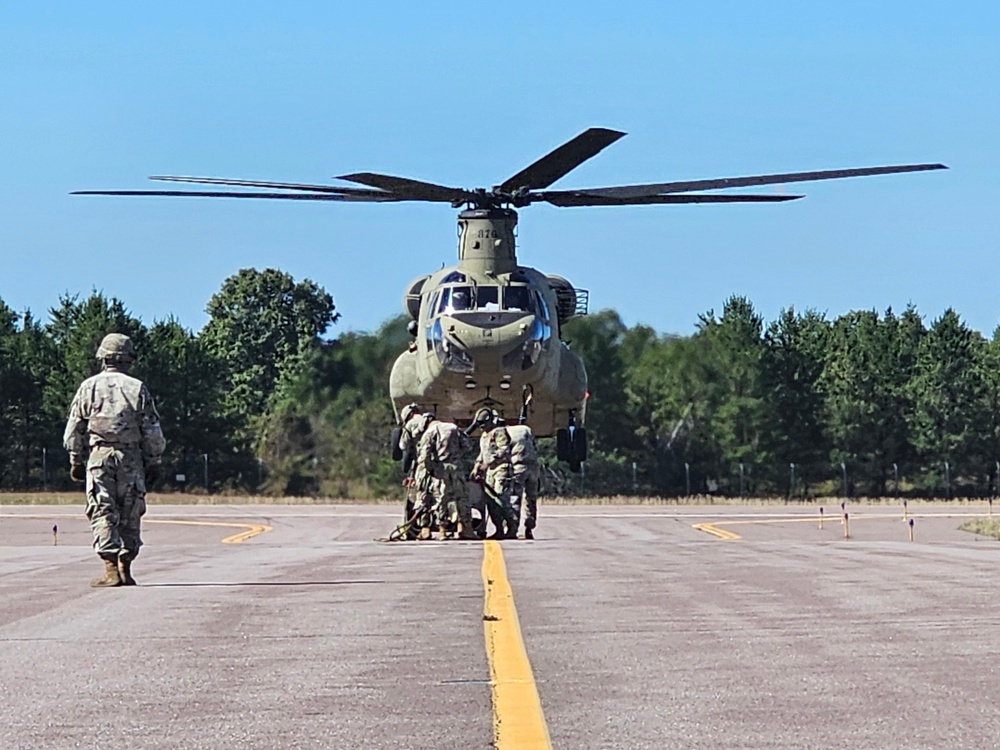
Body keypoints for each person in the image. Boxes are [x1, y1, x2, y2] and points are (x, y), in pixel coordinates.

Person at [64, 333, 166, 587]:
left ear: (103, 357)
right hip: (130, 457)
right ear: (128, 359)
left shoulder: (88, 387)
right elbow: (152, 429)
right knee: (131, 510)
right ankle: (125, 567)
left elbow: (75, 426)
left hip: (100, 456)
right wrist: (154, 460)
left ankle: (110, 569)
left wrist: (76, 459)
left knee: (102, 508)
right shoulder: (137, 388)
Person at [415, 415, 478, 541]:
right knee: (462, 498)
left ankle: (442, 531)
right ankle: (465, 529)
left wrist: (430, 468)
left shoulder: (430, 431)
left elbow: (425, 454)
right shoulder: (453, 428)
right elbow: (468, 446)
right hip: (456, 467)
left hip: (440, 469)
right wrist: (456, 456)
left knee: (441, 499)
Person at [471, 409, 519, 539]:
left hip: (501, 469)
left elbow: (504, 450)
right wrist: (477, 466)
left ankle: (512, 527)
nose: (481, 427)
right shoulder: (484, 436)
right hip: (490, 472)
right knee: (491, 502)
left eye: (483, 424)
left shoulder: (499, 433)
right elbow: (482, 454)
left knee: (501, 500)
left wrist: (489, 462)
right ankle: (499, 529)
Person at [505, 422, 540, 539]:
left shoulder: (505, 433)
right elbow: (535, 446)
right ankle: (529, 528)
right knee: (531, 499)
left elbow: (504, 451)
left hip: (518, 467)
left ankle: (513, 528)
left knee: (515, 497)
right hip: (533, 467)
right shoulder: (526, 429)